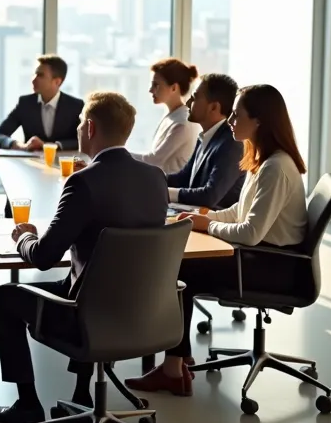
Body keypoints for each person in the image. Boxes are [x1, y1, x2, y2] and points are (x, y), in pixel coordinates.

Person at [0, 91, 168, 423]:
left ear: (90, 128)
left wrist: (23, 237)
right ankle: (81, 394)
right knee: (88, 280)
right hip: (145, 312)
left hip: (87, 317)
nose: (79, 128)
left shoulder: (82, 183)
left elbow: (44, 256)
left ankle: (28, 404)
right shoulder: (155, 177)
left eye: (82, 124)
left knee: (3, 297)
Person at [126, 84, 309, 397]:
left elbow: (250, 232)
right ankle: (177, 360)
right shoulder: (263, 159)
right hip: (260, 257)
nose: (230, 121)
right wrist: (203, 219)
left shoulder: (276, 167)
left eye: (237, 115)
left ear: (259, 121)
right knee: (180, 269)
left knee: (179, 272)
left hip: (272, 266)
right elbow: (239, 211)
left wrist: (207, 226)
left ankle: (173, 367)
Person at [167, 73, 244, 210]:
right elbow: (183, 178)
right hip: (191, 215)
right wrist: (148, 178)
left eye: (194, 98)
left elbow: (210, 196)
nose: (187, 103)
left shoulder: (231, 143)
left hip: (213, 221)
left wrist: (165, 193)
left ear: (214, 107)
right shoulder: (205, 136)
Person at [0, 54, 84, 152]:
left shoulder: (76, 106)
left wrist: (53, 146)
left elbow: (84, 139)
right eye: (34, 74)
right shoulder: (25, 104)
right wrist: (18, 145)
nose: (33, 80)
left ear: (57, 82)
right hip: (31, 161)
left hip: (64, 161)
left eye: (40, 75)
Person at [133, 58, 202, 175]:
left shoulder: (182, 123)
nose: (150, 90)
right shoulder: (172, 115)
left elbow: (154, 160)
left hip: (171, 184)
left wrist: (118, 154)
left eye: (156, 85)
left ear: (174, 88)